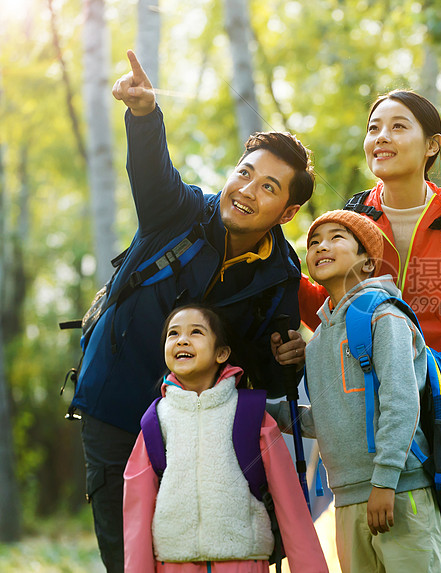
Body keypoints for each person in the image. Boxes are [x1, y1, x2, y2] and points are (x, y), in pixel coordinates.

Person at [71, 50, 311, 572]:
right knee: (127, 555)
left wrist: (288, 360)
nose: (246, 190)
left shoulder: (280, 275)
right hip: (115, 405)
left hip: (200, 429)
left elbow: (266, 376)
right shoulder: (179, 211)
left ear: (288, 212)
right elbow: (152, 171)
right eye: (244, 174)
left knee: (194, 554)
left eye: (268, 187)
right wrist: (143, 115)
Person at [295, 90, 441, 572]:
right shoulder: (353, 219)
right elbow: (331, 304)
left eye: (398, 126)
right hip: (384, 418)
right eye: (374, 127)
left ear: (431, 145)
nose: (382, 137)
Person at [271, 209, 441, 572]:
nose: (321, 247)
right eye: (314, 242)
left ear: (368, 262)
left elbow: (401, 402)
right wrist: (263, 410)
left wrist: (384, 481)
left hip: (398, 490)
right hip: (346, 498)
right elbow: (325, 420)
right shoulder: (318, 340)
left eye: (337, 238)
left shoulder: (384, 315)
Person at [123, 304, 328, 573]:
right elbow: (136, 517)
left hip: (244, 562)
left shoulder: (251, 415)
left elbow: (291, 508)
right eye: (173, 334)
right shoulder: (155, 421)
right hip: (172, 565)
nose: (182, 339)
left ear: (222, 353)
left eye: (196, 332)